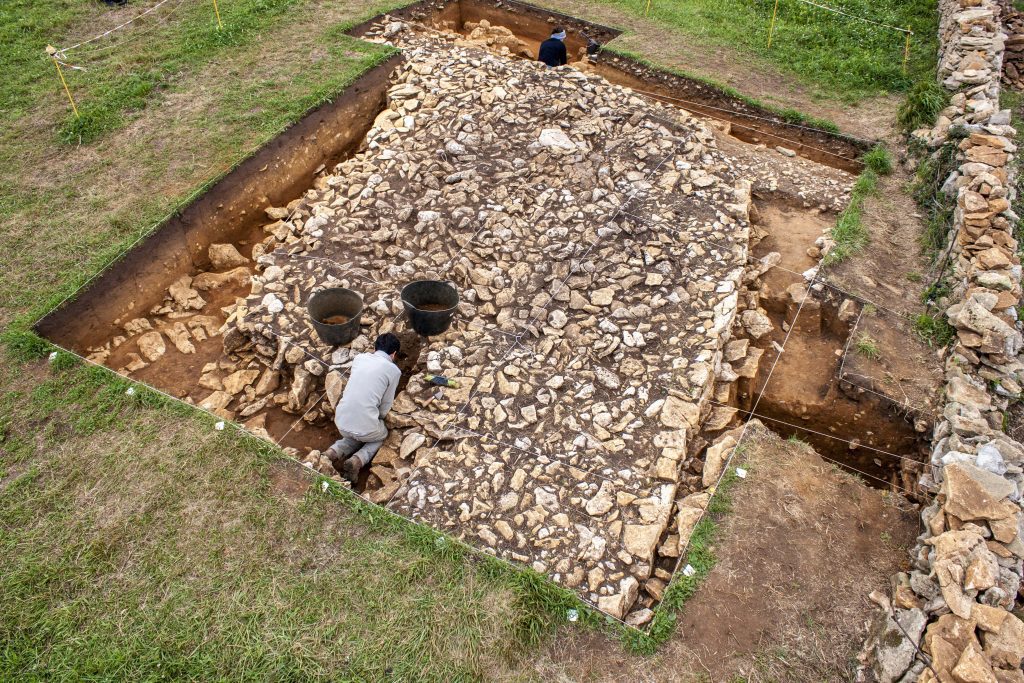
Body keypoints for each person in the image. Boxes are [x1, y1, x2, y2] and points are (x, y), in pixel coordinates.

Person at [325, 333, 402, 483]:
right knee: (381, 435)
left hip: (341, 421)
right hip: (366, 429)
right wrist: (377, 418)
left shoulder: (360, 358)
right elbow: (386, 404)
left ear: (375, 348)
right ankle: (357, 460)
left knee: (353, 435)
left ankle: (332, 452)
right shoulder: (394, 371)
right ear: (394, 354)